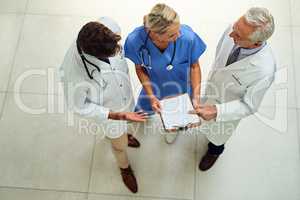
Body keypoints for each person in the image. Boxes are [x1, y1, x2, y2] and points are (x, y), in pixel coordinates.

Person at [59, 17, 148, 193]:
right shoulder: (74, 73)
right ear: (96, 55)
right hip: (110, 114)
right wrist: (116, 115)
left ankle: (126, 134)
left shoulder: (107, 27)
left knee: (127, 124)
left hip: (125, 97)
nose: (118, 52)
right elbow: (78, 106)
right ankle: (124, 167)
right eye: (112, 53)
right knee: (119, 145)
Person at [190, 7, 276, 171]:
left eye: (237, 35)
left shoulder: (264, 70)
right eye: (234, 28)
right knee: (202, 122)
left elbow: (250, 105)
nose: (231, 35)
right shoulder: (234, 29)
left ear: (256, 43)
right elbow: (219, 55)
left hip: (226, 109)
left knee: (217, 137)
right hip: (212, 89)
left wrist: (217, 111)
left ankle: (215, 152)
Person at [124, 3, 206, 144]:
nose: (179, 35)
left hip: (181, 87)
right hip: (153, 86)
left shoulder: (188, 38)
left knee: (176, 118)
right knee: (143, 111)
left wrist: (196, 98)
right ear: (154, 33)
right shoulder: (135, 41)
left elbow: (194, 66)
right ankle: (145, 117)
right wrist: (151, 95)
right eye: (172, 34)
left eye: (178, 29)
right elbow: (139, 68)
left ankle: (173, 128)